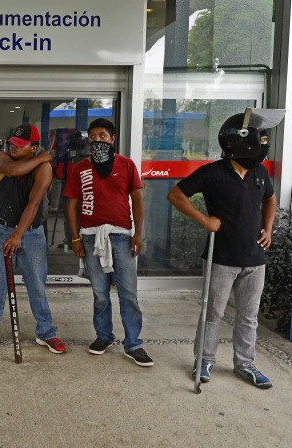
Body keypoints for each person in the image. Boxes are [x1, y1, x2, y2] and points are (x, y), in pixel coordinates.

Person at [167, 110, 279, 389]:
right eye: (262, 139)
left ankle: (245, 364)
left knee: (248, 315)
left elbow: (270, 200)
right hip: (222, 258)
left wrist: (268, 228)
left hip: (255, 259)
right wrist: (205, 220)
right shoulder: (213, 172)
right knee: (213, 314)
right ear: (244, 141)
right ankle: (204, 360)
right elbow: (176, 195)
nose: (265, 144)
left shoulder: (260, 172)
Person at [0, 124, 66, 354]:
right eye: (13, 142)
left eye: (20, 145)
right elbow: (12, 171)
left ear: (32, 147)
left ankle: (46, 333)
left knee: (37, 286)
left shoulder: (44, 170)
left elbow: (33, 204)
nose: (13, 146)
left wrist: (18, 235)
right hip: (2, 230)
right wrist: (42, 157)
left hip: (31, 233)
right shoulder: (3, 158)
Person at [64, 118, 153, 367]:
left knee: (129, 294)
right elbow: (71, 204)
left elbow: (137, 199)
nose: (97, 140)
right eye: (93, 136)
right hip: (91, 236)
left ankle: (134, 344)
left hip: (122, 236)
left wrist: (137, 234)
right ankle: (104, 336)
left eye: (103, 135)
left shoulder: (126, 165)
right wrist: (75, 238)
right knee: (100, 294)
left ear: (112, 139)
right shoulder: (80, 168)